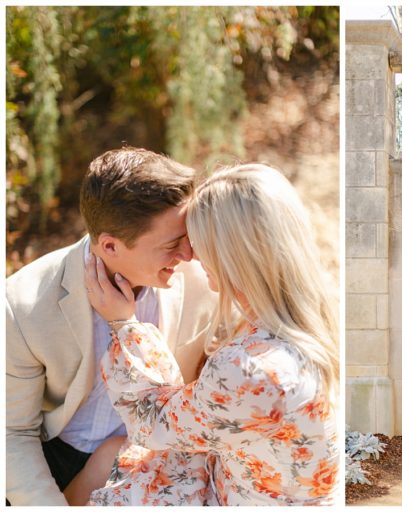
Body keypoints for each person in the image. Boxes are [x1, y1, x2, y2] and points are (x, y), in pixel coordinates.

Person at [85, 164, 340, 505]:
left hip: (228, 497)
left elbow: (151, 422)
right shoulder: (314, 318)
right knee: (112, 455)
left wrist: (123, 324)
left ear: (236, 252)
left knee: (108, 471)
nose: (189, 254)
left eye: (197, 241)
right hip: (241, 481)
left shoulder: (252, 368)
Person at [5, 147, 218, 505]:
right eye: (172, 244)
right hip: (52, 462)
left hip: (154, 466)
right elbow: (11, 433)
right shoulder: (22, 306)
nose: (188, 254)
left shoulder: (206, 281)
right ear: (110, 245)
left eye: (187, 236)